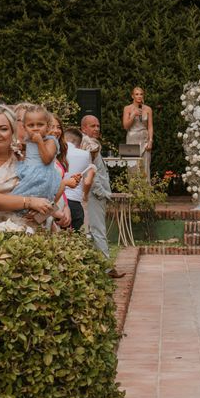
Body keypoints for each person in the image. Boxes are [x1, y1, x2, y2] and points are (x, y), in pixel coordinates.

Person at [0, 104, 56, 224]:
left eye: (3, 129)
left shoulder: (23, 155)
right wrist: (29, 202)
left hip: (36, 229)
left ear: (12, 131)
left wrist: (41, 214)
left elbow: (49, 189)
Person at [80, 115, 124, 278]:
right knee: (98, 229)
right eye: (92, 126)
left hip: (94, 193)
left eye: (98, 126)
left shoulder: (90, 143)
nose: (97, 129)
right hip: (94, 194)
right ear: (83, 128)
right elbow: (91, 172)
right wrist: (102, 193)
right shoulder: (88, 144)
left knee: (95, 229)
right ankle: (106, 268)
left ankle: (99, 266)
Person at [11, 104, 62, 203]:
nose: (35, 128)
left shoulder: (50, 141)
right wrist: (21, 149)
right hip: (28, 171)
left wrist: (40, 142)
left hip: (42, 176)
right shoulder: (28, 140)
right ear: (24, 127)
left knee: (36, 197)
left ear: (48, 126)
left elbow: (47, 160)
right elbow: (32, 152)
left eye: (40, 124)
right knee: (21, 195)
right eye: (31, 125)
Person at [64, 128, 94, 231]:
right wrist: (84, 196)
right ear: (79, 143)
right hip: (75, 202)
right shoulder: (85, 155)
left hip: (58, 202)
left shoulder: (55, 152)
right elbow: (88, 181)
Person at [122, 86, 153, 180]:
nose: (139, 96)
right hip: (131, 138)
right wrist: (133, 115)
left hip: (144, 139)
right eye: (137, 94)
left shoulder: (148, 109)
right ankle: (133, 193)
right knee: (132, 167)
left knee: (145, 167)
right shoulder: (127, 108)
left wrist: (150, 140)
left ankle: (145, 193)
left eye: (141, 94)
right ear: (132, 96)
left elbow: (150, 126)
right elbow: (125, 126)